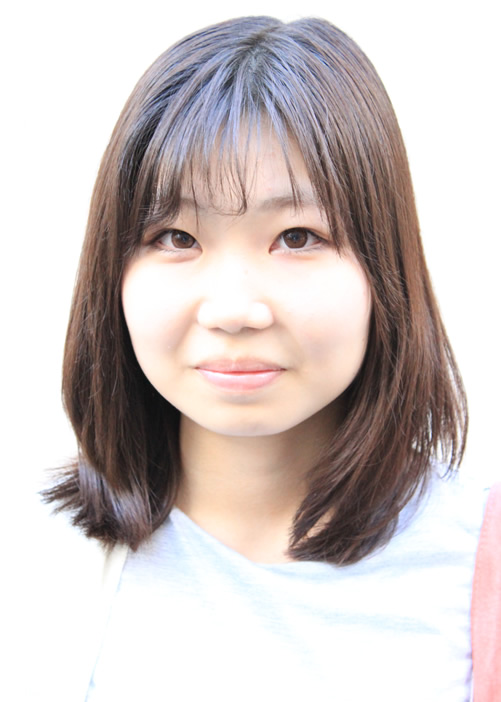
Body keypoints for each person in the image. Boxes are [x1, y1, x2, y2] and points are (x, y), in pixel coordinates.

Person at [41, 15, 492, 701]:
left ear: (384, 269)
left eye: (297, 236)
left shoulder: (478, 564)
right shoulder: (32, 554)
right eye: (176, 237)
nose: (233, 309)